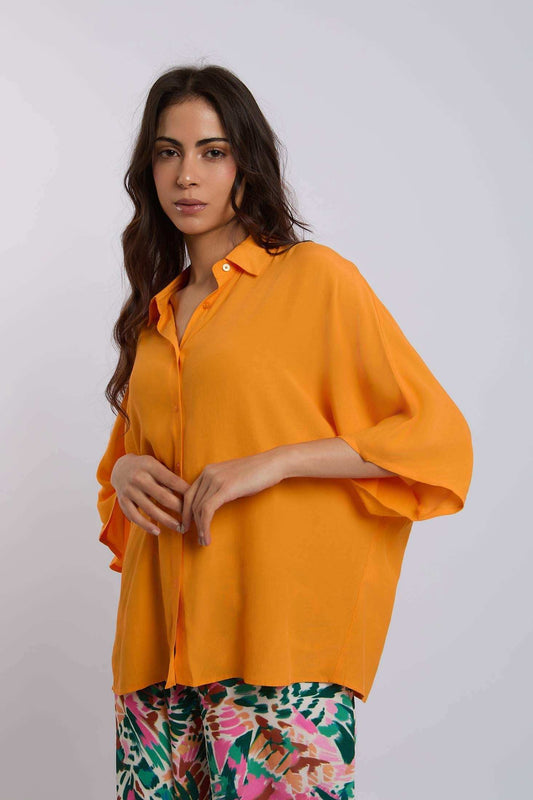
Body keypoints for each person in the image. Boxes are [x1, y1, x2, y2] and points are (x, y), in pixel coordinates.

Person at [96, 64, 474, 800]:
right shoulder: (153, 317)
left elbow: (433, 435)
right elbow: (124, 474)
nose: (187, 175)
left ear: (247, 163)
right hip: (154, 661)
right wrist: (122, 471)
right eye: (168, 152)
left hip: (279, 656)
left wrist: (274, 463)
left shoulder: (314, 279)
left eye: (212, 152)